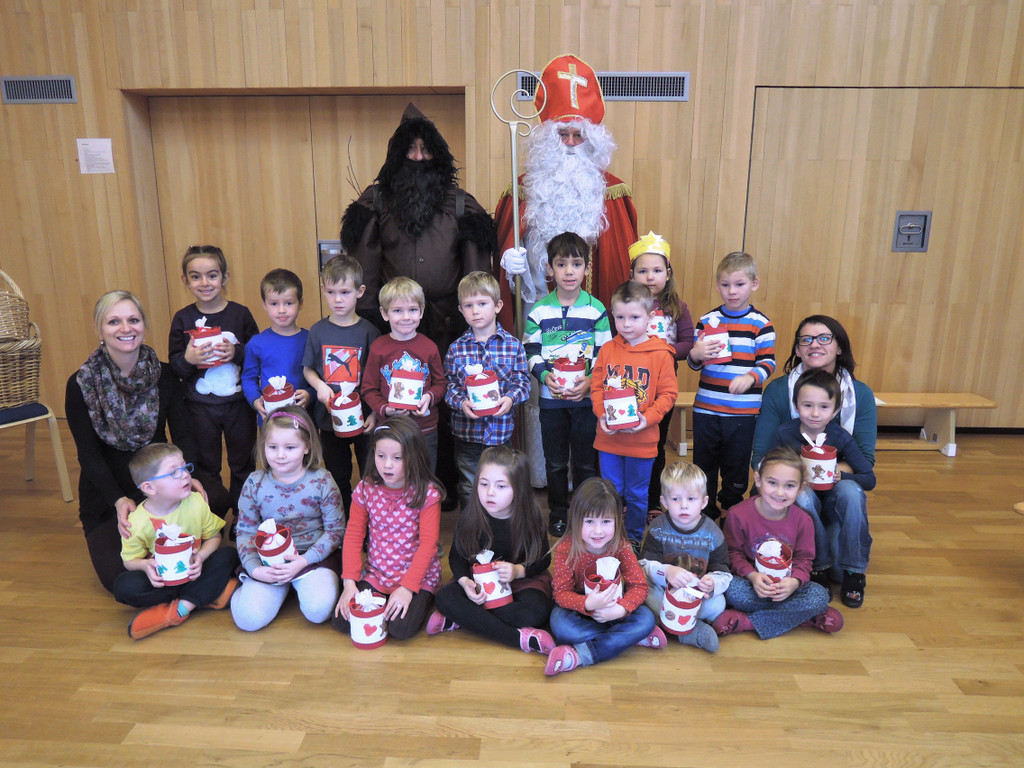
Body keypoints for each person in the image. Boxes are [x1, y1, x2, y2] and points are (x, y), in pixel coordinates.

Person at [66, 291, 202, 593]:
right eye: (114, 322)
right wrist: (118, 500)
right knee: (118, 581)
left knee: (214, 498)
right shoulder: (80, 384)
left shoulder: (164, 375)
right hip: (109, 495)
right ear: (100, 329)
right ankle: (185, 583)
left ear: (143, 325)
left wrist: (186, 475)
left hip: (161, 485)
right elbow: (88, 455)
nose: (126, 328)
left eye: (133, 320)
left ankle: (181, 580)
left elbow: (183, 435)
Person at [494, 54, 638, 327]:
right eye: (562, 134)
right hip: (536, 309)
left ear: (591, 140)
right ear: (549, 138)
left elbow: (621, 266)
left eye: (578, 135)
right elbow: (504, 249)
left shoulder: (614, 193)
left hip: (592, 313)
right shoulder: (521, 190)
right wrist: (508, 262)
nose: (571, 142)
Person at [751, 315, 876, 608]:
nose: (815, 345)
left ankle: (853, 570)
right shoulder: (780, 393)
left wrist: (827, 472)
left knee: (851, 493)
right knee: (804, 497)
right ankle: (816, 563)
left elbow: (865, 463)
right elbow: (761, 457)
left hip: (833, 492)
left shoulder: (859, 396)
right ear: (797, 349)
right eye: (806, 339)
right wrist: (797, 476)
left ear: (839, 347)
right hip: (793, 492)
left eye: (824, 338)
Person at [426, 446, 555, 653]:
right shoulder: (471, 515)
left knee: (536, 611)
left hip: (522, 581)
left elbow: (543, 559)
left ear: (519, 488)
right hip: (479, 583)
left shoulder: (530, 517)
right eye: (484, 484)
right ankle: (517, 639)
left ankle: (463, 618)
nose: (490, 492)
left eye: (501, 486)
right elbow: (457, 558)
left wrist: (518, 570)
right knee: (444, 598)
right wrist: (465, 582)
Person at [523, 232, 609, 536]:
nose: (569, 271)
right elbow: (530, 351)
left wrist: (590, 381)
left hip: (585, 401)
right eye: (561, 264)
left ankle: (586, 513)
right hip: (551, 402)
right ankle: (558, 512)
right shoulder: (539, 311)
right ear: (550, 269)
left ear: (587, 268)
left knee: (585, 463)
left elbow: (604, 353)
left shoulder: (596, 310)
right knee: (556, 463)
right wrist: (544, 377)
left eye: (576, 264)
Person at [230, 407, 344, 631]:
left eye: (290, 447)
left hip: (312, 560)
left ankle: (298, 586)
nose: (280, 455)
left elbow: (336, 531)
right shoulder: (254, 483)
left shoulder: (322, 481)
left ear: (307, 447)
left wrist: (304, 560)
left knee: (318, 611)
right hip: (268, 562)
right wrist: (255, 570)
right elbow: (245, 532)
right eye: (272, 447)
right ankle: (253, 588)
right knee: (248, 620)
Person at [168, 244, 259, 520]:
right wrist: (189, 359)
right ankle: (213, 516)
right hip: (199, 407)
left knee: (242, 463)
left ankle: (243, 516)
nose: (204, 283)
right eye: (195, 276)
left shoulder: (240, 314)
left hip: (238, 404)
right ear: (185, 280)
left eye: (212, 275)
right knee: (207, 465)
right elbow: (175, 367)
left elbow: (256, 355)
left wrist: (237, 352)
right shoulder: (182, 318)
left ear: (225, 277)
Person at [332, 416, 443, 640]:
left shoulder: (427, 493)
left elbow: (428, 545)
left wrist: (407, 588)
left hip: (417, 578)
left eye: (397, 458)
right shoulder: (365, 489)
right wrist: (349, 583)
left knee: (400, 629)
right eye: (381, 456)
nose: (387, 464)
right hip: (377, 575)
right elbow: (353, 535)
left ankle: (427, 600)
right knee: (342, 622)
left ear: (414, 457)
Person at [714, 447, 843, 639]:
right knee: (732, 591)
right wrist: (752, 576)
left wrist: (794, 582)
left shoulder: (803, 520)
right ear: (758, 480)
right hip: (753, 586)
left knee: (819, 596)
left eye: (789, 486)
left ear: (801, 488)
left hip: (787, 587)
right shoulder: (737, 515)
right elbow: (732, 554)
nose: (780, 492)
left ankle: (748, 622)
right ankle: (805, 617)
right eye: (772, 483)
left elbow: (805, 560)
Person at [114, 443, 239, 639]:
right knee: (124, 586)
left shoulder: (196, 502)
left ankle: (180, 609)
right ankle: (207, 594)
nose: (185, 475)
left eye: (184, 467)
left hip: (196, 571)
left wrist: (201, 557)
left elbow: (214, 536)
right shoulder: (136, 522)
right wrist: (145, 566)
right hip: (165, 581)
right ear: (149, 487)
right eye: (174, 472)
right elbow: (129, 561)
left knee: (230, 554)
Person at [545, 477, 666, 676]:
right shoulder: (566, 548)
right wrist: (587, 603)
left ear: (617, 521)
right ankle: (629, 638)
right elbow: (560, 593)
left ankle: (580, 655)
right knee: (561, 625)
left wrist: (620, 609)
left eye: (606, 521)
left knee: (646, 618)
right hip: (581, 612)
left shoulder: (620, 545)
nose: (598, 530)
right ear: (576, 520)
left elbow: (640, 586)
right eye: (589, 521)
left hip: (615, 610)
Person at [687, 252, 776, 520]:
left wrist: (750, 377)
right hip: (706, 410)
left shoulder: (761, 324)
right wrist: (695, 354)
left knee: (736, 465)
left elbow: (768, 363)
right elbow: (695, 363)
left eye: (739, 284)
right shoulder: (707, 320)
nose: (732, 291)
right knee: (704, 465)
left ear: (754, 284)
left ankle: (730, 511)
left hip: (743, 413)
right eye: (725, 285)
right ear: (717, 286)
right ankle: (705, 512)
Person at [590, 281, 678, 545]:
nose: (626, 324)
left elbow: (668, 395)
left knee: (637, 495)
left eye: (634, 317)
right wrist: (601, 414)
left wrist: (647, 419)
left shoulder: (661, 354)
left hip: (642, 440)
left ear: (650, 317)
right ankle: (610, 539)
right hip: (609, 440)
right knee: (610, 493)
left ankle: (635, 541)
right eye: (620, 317)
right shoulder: (608, 350)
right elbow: (596, 388)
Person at [444, 271, 531, 512]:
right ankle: (471, 530)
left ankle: (499, 526)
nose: (476, 311)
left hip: (500, 433)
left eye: (482, 304)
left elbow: (523, 382)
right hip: (467, 435)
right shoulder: (456, 349)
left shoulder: (513, 346)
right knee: (469, 486)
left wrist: (510, 398)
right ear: (461, 310)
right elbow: (449, 386)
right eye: (469, 305)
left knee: (501, 484)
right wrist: (461, 403)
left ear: (497, 306)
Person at [302, 255, 380, 514]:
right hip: (329, 419)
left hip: (363, 418)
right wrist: (319, 386)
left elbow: (377, 377)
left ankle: (369, 520)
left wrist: (375, 413)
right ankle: (344, 521)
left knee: (370, 473)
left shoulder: (369, 331)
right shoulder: (318, 330)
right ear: (323, 290)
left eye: (345, 292)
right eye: (331, 292)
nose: (337, 299)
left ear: (360, 291)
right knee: (338, 474)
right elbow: (308, 368)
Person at [628, 232, 695, 510]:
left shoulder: (677, 308)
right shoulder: (625, 306)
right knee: (629, 443)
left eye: (656, 270)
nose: (649, 276)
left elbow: (688, 343)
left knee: (655, 444)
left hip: (662, 389)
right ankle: (629, 499)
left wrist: (664, 352)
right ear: (632, 275)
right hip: (631, 387)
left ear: (668, 274)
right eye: (642, 271)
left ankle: (655, 499)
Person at [639, 461, 730, 653]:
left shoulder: (713, 533)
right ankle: (689, 630)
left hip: (696, 595)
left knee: (718, 603)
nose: (684, 506)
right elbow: (644, 566)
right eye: (675, 499)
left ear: (703, 502)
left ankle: (667, 624)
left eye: (691, 499)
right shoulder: (658, 527)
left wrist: (712, 582)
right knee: (644, 591)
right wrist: (666, 572)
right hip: (664, 592)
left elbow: (723, 571)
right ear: (664, 502)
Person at [361, 277, 446, 471]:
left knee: (424, 477)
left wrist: (428, 397)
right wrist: (385, 409)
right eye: (398, 310)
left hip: (424, 429)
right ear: (384, 313)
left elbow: (440, 384)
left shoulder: (429, 347)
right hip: (390, 429)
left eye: (412, 310)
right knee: (391, 476)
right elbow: (368, 389)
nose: (406, 317)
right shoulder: (379, 348)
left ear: (421, 312)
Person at [241, 269, 313, 424]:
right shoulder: (256, 343)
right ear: (264, 305)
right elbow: (248, 378)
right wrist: (255, 400)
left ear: (300, 303)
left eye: (289, 303)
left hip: (303, 418)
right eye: (274, 304)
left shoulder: (310, 339)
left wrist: (310, 394)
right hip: (270, 419)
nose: (281, 310)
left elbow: (319, 377)